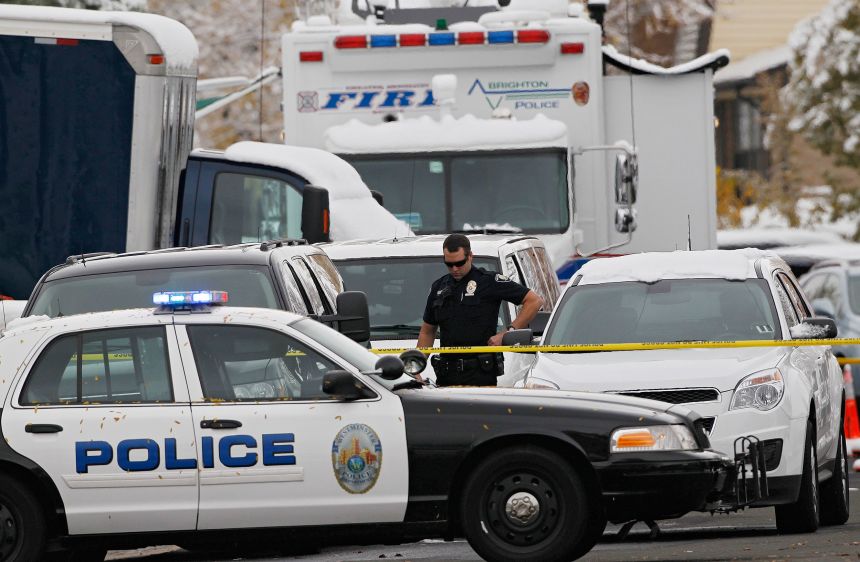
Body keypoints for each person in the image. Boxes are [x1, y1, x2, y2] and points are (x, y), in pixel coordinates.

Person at [417, 234, 543, 386]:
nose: (455, 269)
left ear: (470, 256)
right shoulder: (439, 287)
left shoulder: (489, 281)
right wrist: (416, 365)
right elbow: (428, 331)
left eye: (459, 263)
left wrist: (507, 333)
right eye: (449, 264)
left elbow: (534, 301)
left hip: (480, 375)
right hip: (447, 376)